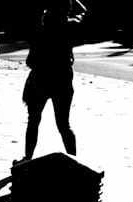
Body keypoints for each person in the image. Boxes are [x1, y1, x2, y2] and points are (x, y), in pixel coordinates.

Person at [17, 0, 86, 164]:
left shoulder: (41, 30)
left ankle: (27, 158)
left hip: (40, 81)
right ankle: (74, 161)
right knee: (64, 125)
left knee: (33, 121)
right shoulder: (71, 27)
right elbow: (84, 13)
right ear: (66, 11)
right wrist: (73, 2)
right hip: (63, 80)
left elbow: (30, 61)